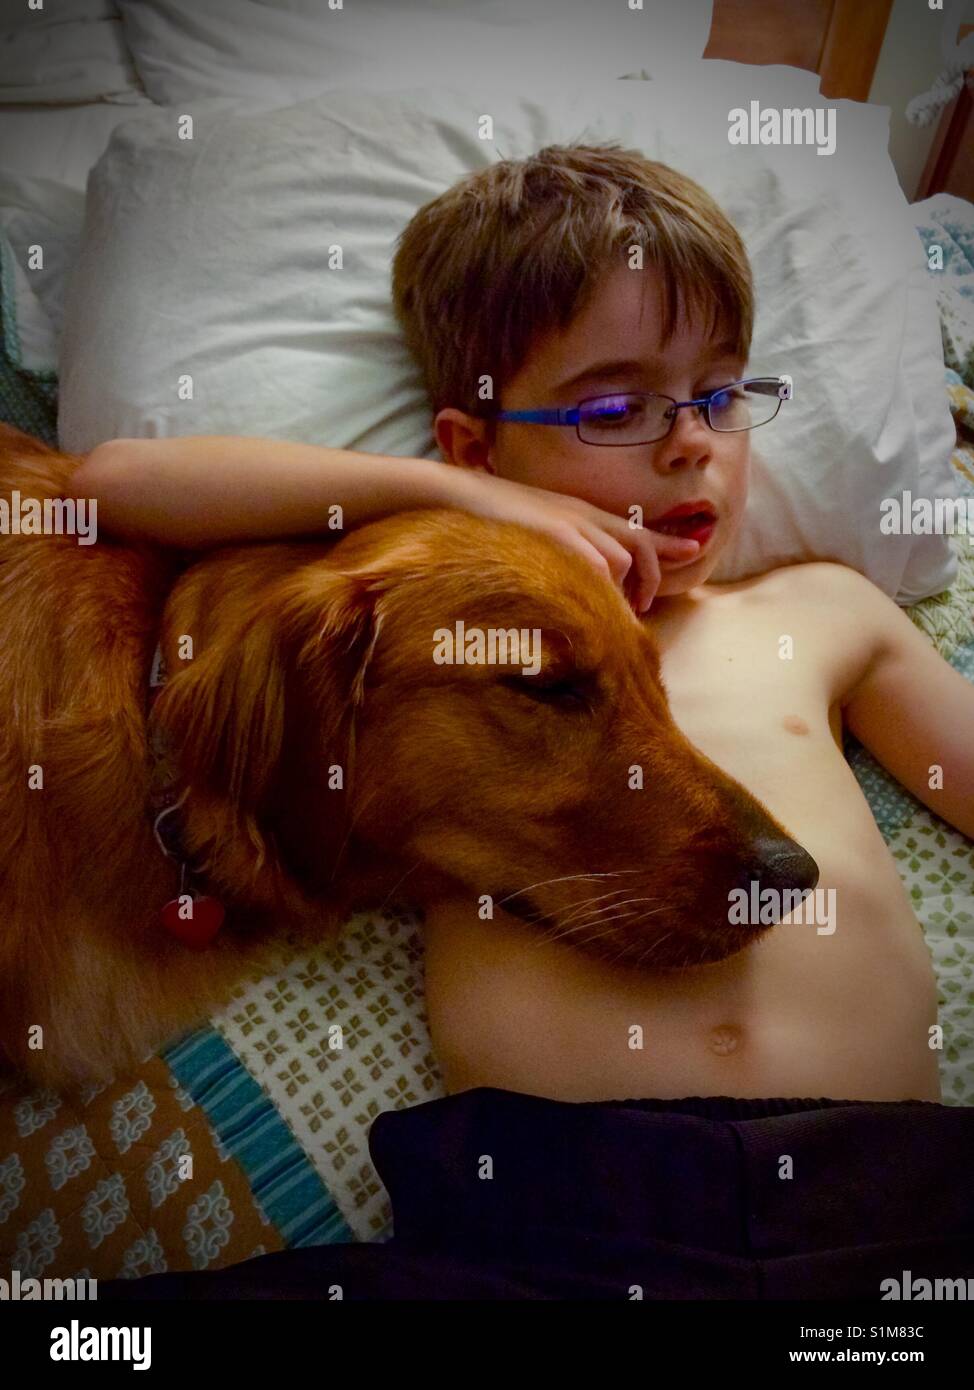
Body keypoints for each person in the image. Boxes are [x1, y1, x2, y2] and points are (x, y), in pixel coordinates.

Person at [78, 145, 974, 1299]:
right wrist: (463, 498)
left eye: (719, 393)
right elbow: (110, 482)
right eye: (616, 405)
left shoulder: (820, 607)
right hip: (550, 1224)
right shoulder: (433, 640)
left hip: (891, 1207)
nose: (690, 439)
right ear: (470, 441)